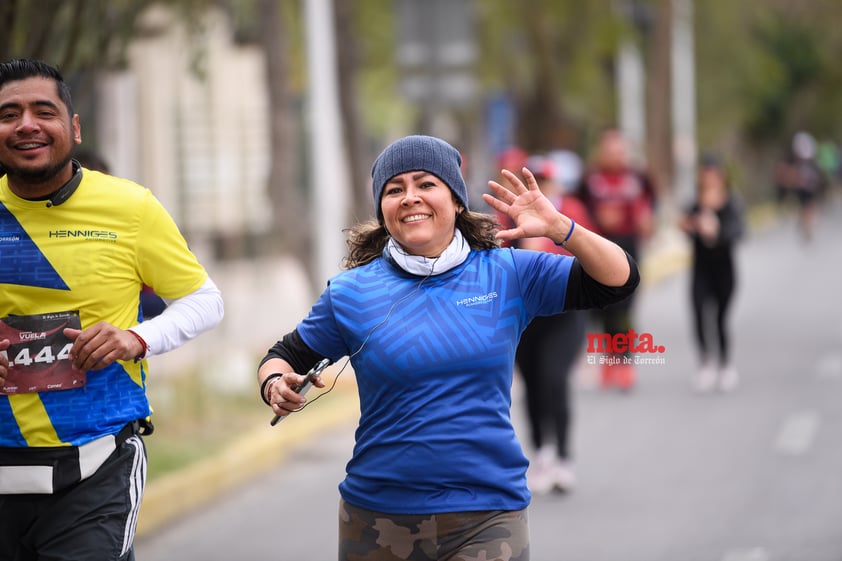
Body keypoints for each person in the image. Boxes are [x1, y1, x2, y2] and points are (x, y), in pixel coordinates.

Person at [257, 134, 639, 560]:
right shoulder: (351, 292)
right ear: (382, 209)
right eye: (394, 189)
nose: (410, 197)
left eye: (425, 184)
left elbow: (618, 281)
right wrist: (275, 382)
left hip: (488, 514)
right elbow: (284, 355)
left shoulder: (506, 273)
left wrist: (561, 229)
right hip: (378, 518)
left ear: (456, 199)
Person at [0, 59, 224, 561]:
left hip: (95, 468)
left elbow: (205, 301)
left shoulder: (131, 208)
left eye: (44, 111)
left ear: (74, 127)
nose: (27, 125)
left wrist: (136, 338)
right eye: (9, 114)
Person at [510, 155, 597, 495]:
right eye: (536, 182)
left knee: (554, 377)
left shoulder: (571, 211)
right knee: (531, 383)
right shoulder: (508, 215)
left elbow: (587, 255)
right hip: (527, 317)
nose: (542, 189)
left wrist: (547, 238)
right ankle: (541, 453)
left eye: (546, 183)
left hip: (565, 313)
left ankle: (563, 456)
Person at [577, 127, 656, 390]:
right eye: (609, 150)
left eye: (619, 150)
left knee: (626, 306)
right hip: (598, 248)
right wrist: (596, 220)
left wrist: (647, 221)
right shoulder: (589, 179)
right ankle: (609, 358)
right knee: (602, 307)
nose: (615, 155)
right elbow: (576, 209)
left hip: (629, 247)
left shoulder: (639, 177)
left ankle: (624, 361)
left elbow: (651, 203)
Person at [679, 154, 744, 392]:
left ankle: (725, 364)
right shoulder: (695, 203)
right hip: (700, 270)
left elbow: (738, 233)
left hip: (724, 270)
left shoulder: (731, 203)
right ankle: (706, 362)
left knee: (720, 318)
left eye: (713, 174)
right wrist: (689, 226)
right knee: (697, 313)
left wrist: (715, 232)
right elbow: (685, 226)